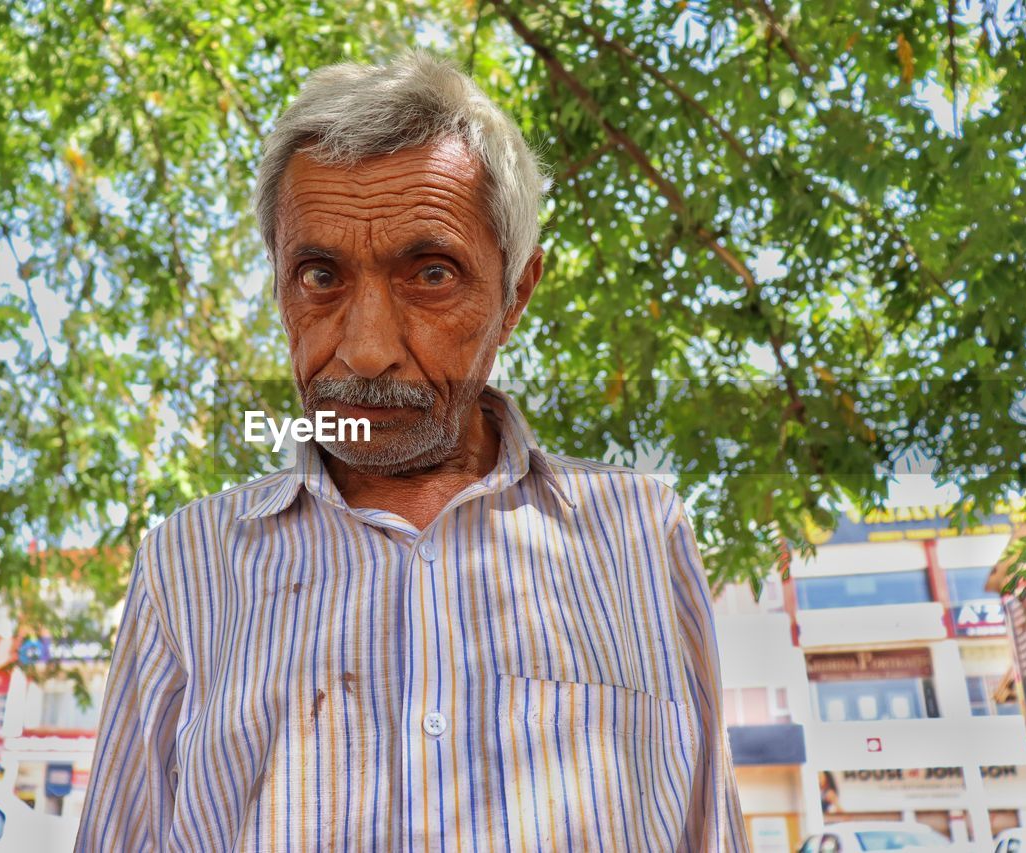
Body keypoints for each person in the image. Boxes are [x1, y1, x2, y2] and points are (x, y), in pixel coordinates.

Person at [76, 51, 745, 852]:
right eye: (319, 274)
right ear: (281, 290)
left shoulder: (640, 533)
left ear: (515, 295)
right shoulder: (187, 565)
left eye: (431, 273)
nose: (364, 349)